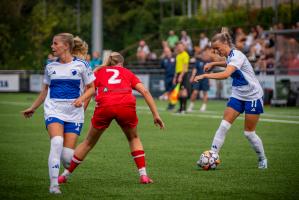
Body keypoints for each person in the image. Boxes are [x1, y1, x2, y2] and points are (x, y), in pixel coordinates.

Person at [58, 52, 165, 185]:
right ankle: (143, 175)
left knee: (88, 143)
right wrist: (156, 115)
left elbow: (88, 93)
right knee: (133, 138)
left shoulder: (98, 72)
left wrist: (80, 114)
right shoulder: (127, 72)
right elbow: (145, 91)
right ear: (122, 63)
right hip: (126, 104)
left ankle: (64, 176)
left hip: (105, 105)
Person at [21, 33, 96, 194]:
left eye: (55, 44)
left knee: (68, 159)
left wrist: (81, 99)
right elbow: (44, 91)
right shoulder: (50, 66)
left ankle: (65, 167)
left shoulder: (82, 65)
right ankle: (54, 185)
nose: (52, 47)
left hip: (74, 114)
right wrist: (33, 107)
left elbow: (92, 88)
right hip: (54, 110)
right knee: (56, 142)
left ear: (66, 46)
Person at [193, 28, 267, 169]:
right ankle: (211, 157)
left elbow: (226, 74)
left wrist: (205, 75)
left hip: (253, 96)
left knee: (249, 133)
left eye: (217, 48)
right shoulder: (230, 56)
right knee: (223, 126)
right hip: (238, 95)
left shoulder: (237, 55)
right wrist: (214, 64)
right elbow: (228, 63)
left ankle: (262, 159)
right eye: (214, 49)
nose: (215, 52)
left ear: (225, 43)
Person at [188, 48, 210, 112]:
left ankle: (204, 106)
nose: (205, 55)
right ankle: (191, 105)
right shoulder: (198, 61)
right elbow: (195, 69)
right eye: (204, 53)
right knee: (195, 92)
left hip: (205, 79)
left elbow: (210, 72)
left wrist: (209, 80)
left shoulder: (209, 62)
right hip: (197, 78)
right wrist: (192, 76)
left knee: (205, 93)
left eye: (206, 53)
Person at [172, 42, 190, 113]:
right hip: (178, 74)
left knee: (184, 91)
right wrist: (175, 77)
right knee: (179, 92)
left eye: (181, 46)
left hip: (183, 74)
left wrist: (181, 76)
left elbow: (185, 67)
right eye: (178, 46)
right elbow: (177, 68)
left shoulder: (185, 55)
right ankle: (180, 108)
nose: (179, 48)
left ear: (183, 47)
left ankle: (184, 109)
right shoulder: (178, 55)